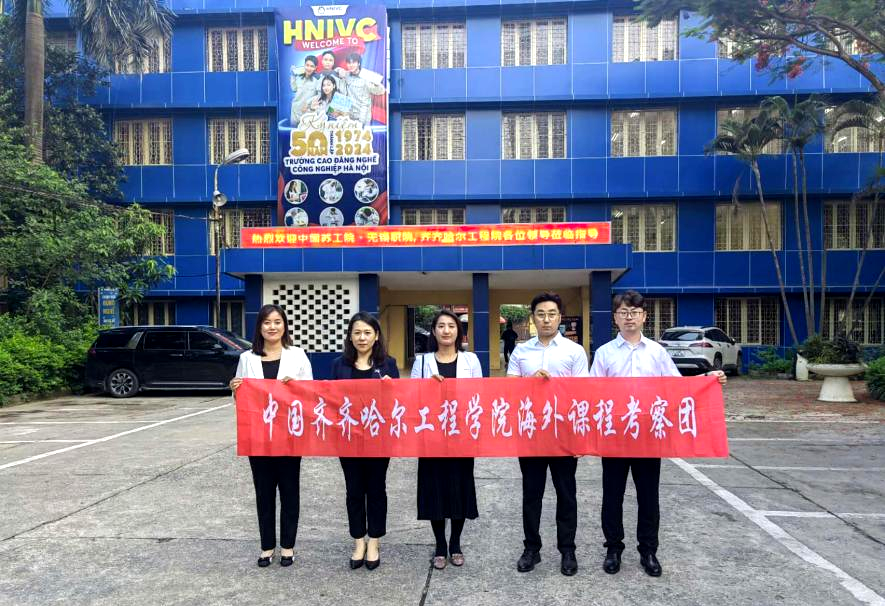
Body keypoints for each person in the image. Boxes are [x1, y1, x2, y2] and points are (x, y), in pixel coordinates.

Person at [590, 290, 727, 578]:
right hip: (615, 435)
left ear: (644, 317)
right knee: (612, 496)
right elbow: (592, 394)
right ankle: (613, 549)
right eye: (623, 312)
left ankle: (648, 551)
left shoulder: (656, 352)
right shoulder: (604, 353)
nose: (629, 317)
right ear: (615, 318)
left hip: (649, 435)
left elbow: (677, 388)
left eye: (635, 312)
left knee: (648, 496)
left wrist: (707, 379)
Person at [507, 292, 588, 577]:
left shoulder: (574, 351)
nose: (546, 319)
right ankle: (532, 548)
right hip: (531, 432)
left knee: (566, 494)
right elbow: (510, 391)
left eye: (551, 314)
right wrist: (530, 383)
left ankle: (567, 550)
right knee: (532, 494)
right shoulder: (520, 352)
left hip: (564, 433)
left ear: (559, 317)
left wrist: (580, 437)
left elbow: (582, 395)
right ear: (533, 318)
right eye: (540, 314)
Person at [230, 304, 313, 568]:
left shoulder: (297, 355)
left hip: (289, 436)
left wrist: (296, 387)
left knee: (290, 491)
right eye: (267, 322)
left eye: (277, 322)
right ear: (260, 327)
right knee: (264, 493)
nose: (272, 327)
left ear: (284, 325)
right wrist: (235, 388)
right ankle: (267, 546)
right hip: (258, 438)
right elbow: (242, 400)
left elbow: (311, 395)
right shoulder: (247, 358)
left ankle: (288, 546)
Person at [410, 309, 483, 570]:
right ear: (433, 331)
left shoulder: (471, 360)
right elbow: (412, 398)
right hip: (431, 435)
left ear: (458, 331)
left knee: (459, 488)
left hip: (461, 435)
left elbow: (479, 395)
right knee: (435, 489)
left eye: (451, 326)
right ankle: (440, 544)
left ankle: (455, 543)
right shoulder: (422, 362)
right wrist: (427, 387)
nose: (446, 331)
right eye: (440, 326)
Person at [330, 312, 399, 571]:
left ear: (376, 336)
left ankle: (374, 542)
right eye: (357, 332)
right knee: (354, 491)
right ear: (350, 336)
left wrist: (392, 389)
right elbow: (329, 400)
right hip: (348, 439)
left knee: (377, 490)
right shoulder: (339, 365)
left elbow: (398, 405)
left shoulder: (388, 364)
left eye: (367, 333)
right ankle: (358, 541)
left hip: (378, 439)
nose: (362, 338)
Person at [335, 52, 385, 126]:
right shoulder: (346, 75)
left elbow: (381, 91)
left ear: (358, 63)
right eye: (349, 63)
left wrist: (376, 83)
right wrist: (339, 70)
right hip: (348, 115)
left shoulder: (366, 77)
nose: (351, 65)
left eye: (353, 62)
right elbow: (336, 70)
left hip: (363, 116)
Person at [289, 54, 319, 124]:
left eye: (312, 66)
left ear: (315, 68)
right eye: (307, 65)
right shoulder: (299, 77)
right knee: (293, 130)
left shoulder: (317, 80)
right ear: (304, 65)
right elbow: (294, 89)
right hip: (295, 111)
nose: (309, 68)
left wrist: (308, 103)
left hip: (308, 112)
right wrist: (292, 75)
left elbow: (319, 96)